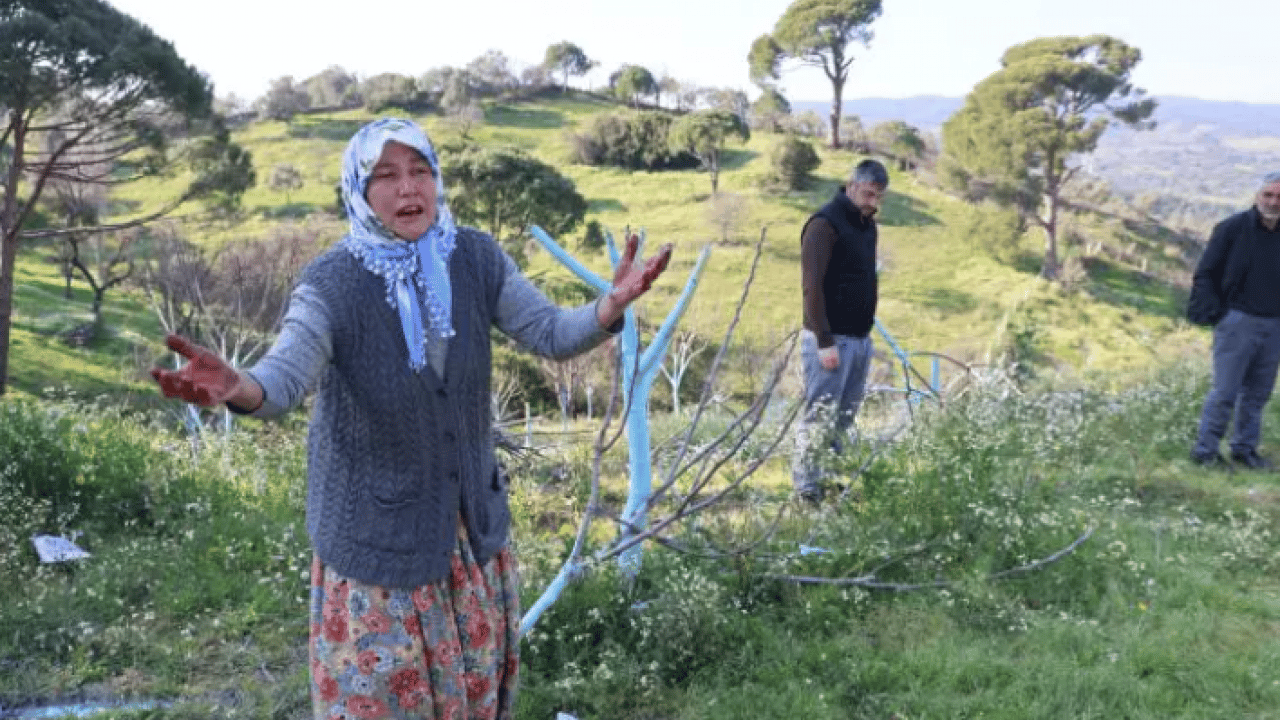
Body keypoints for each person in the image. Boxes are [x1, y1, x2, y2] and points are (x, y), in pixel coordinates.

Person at [150, 117, 672, 720]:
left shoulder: (474, 257)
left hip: (467, 536)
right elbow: (283, 381)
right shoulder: (332, 284)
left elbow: (549, 332)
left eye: (420, 171)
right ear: (358, 191)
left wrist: (609, 306)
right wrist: (238, 386)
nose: (409, 190)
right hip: (378, 548)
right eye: (387, 176)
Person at [792, 159, 889, 502]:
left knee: (844, 417)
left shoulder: (867, 228)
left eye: (878, 198)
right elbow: (812, 288)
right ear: (851, 184)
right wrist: (823, 340)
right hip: (830, 340)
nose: (872, 203)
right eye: (868, 194)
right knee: (820, 414)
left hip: (860, 340)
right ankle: (806, 487)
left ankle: (829, 479)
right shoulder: (823, 225)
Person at [1187, 171, 1280, 469]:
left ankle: (1244, 450)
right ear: (1257, 195)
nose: (1274, 202)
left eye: (1279, 197)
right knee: (1225, 392)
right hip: (1237, 322)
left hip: (1275, 326)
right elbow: (1205, 274)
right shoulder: (1232, 229)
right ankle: (1205, 453)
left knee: (1257, 395)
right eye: (1268, 195)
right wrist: (1220, 316)